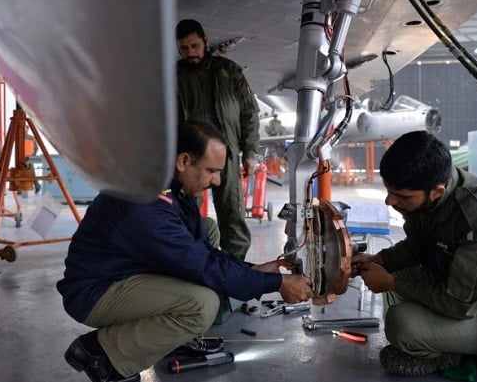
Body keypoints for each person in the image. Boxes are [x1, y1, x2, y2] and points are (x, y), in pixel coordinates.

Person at [57, 120, 313, 382]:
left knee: (208, 228)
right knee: (202, 306)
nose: (217, 180)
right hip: (94, 291)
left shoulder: (169, 183)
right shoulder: (146, 205)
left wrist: (252, 271)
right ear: (183, 161)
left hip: (126, 269)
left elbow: (199, 248)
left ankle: (170, 339)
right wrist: (277, 283)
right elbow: (202, 265)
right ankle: (101, 352)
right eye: (211, 170)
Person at [351, 130, 477, 377]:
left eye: (401, 196)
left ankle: (441, 354)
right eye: (389, 190)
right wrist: (379, 260)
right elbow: (418, 246)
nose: (389, 201)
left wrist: (392, 282)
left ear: (437, 191)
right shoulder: (432, 196)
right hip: (466, 288)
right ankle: (439, 339)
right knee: (397, 273)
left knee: (401, 324)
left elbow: (461, 305)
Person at [176, 18, 260, 260]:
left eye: (194, 46)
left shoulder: (228, 71)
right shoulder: (174, 76)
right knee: (186, 215)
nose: (190, 52)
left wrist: (251, 153)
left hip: (228, 157)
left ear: (205, 41)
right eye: (184, 48)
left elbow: (249, 113)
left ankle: (234, 271)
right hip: (189, 161)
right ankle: (190, 265)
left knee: (232, 216)